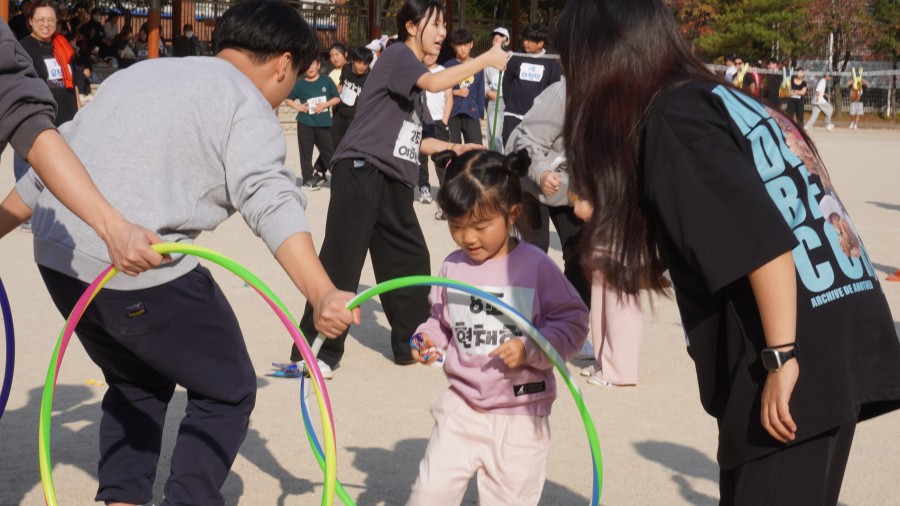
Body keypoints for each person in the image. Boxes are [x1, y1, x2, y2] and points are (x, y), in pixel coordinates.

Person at [6, 2, 360, 504]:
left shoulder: (145, 72)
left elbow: (55, 155)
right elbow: (270, 197)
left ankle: (122, 498)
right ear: (283, 63)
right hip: (134, 265)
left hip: (58, 259)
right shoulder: (245, 101)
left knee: (136, 380)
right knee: (227, 387)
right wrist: (321, 291)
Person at [556, 1, 900, 504]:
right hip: (830, 324)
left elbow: (765, 245)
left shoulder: (672, 120)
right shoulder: (714, 98)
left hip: (791, 355)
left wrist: (781, 358)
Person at [283, 0, 509, 378]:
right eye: (435, 25)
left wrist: (453, 147)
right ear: (409, 26)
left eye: (444, 26)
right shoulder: (398, 55)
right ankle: (313, 353)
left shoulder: (410, 83)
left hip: (392, 178)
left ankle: (414, 344)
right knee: (342, 259)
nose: (442, 33)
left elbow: (410, 139)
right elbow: (438, 81)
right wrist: (486, 58)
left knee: (410, 259)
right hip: (360, 169)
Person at [406, 148, 589, 505]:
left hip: (520, 413)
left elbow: (573, 320)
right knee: (429, 494)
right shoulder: (452, 267)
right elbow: (441, 321)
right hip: (461, 407)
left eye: (480, 226)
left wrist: (531, 347)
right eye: (456, 226)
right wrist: (427, 337)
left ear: (512, 214)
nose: (468, 238)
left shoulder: (535, 266)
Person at [1, 17, 163, 274]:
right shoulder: (27, 46)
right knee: (30, 172)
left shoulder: (58, 47)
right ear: (30, 22)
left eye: (51, 20)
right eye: (41, 20)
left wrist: (112, 227)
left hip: (50, 122)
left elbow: (30, 123)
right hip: (34, 129)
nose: (46, 24)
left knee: (41, 165)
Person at [506, 79, 591, 305]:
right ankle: (526, 314)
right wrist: (542, 173)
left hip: (571, 188)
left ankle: (570, 317)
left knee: (582, 254)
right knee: (535, 248)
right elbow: (529, 140)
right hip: (531, 176)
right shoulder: (565, 94)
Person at [570, 191, 643, 387]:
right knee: (601, 302)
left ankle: (619, 370)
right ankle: (604, 361)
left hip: (619, 227)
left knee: (618, 306)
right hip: (601, 229)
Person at [285, 55, 340, 190]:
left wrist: (324, 105)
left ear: (318, 65)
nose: (310, 67)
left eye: (313, 64)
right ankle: (307, 180)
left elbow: (337, 98)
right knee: (306, 153)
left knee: (329, 152)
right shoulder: (300, 84)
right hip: (305, 123)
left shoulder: (326, 81)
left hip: (323, 123)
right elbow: (287, 97)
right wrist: (298, 107)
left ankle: (339, 178)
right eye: (307, 65)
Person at [501, 23, 561, 145]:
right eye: (524, 39)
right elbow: (506, 82)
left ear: (540, 43)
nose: (525, 43)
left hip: (537, 117)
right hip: (513, 114)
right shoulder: (516, 57)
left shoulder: (551, 61)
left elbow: (555, 88)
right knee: (509, 148)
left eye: (529, 40)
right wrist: (510, 104)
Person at [417, 52, 452, 208]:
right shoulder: (417, 69)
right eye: (427, 54)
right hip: (421, 119)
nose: (430, 56)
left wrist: (444, 120)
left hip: (438, 119)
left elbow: (449, 98)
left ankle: (444, 189)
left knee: (442, 156)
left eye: (433, 54)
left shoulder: (443, 71)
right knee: (421, 157)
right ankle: (424, 187)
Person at [444, 28, 485, 148]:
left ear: (471, 44)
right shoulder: (448, 66)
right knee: (453, 150)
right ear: (454, 46)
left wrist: (480, 114)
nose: (463, 48)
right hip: (453, 112)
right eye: (459, 45)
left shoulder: (477, 65)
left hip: (471, 112)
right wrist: (456, 92)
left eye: (466, 44)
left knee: (476, 150)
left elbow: (480, 91)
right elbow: (440, 90)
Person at [330, 46, 372, 152]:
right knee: (332, 142)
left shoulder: (370, 77)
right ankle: (323, 167)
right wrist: (333, 105)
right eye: (359, 62)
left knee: (350, 145)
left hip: (355, 117)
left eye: (365, 63)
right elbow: (340, 86)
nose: (362, 66)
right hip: (339, 113)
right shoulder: (346, 68)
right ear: (353, 60)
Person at [484, 27, 509, 152]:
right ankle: (496, 161)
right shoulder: (487, 61)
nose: (498, 41)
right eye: (495, 39)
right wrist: (488, 92)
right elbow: (483, 81)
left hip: (510, 102)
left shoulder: (512, 58)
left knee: (509, 134)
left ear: (507, 41)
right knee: (494, 136)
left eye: (501, 38)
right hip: (495, 100)